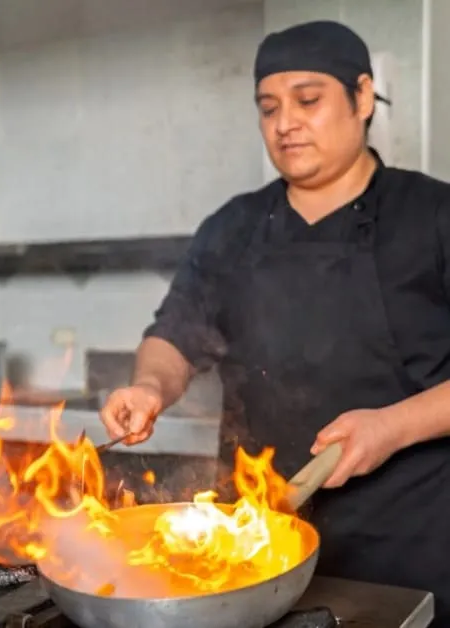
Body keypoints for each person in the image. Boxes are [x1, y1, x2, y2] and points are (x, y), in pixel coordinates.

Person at [101, 20, 450, 626]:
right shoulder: (231, 228)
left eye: (307, 100)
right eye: (268, 108)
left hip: (408, 544)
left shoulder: (434, 215)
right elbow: (173, 334)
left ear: (363, 97)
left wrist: (393, 426)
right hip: (259, 546)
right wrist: (149, 387)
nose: (285, 122)